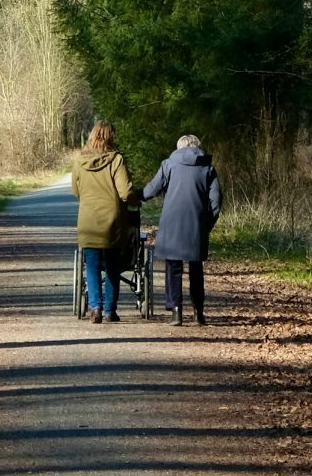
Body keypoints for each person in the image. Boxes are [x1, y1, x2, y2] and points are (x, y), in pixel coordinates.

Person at [142, 133, 222, 326]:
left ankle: (176, 311)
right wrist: (206, 224)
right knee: (196, 268)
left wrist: (138, 195)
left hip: (172, 222)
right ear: (197, 147)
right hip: (197, 223)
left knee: (173, 266)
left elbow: (152, 189)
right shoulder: (207, 168)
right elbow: (216, 201)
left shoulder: (168, 164)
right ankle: (198, 313)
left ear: (179, 148)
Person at [71, 120, 136, 324]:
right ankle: (109, 310)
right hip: (112, 222)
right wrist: (135, 199)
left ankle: (95, 307)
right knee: (112, 266)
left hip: (88, 219)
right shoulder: (116, 160)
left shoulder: (79, 161)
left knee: (91, 266)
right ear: (110, 137)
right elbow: (125, 192)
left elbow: (75, 190)